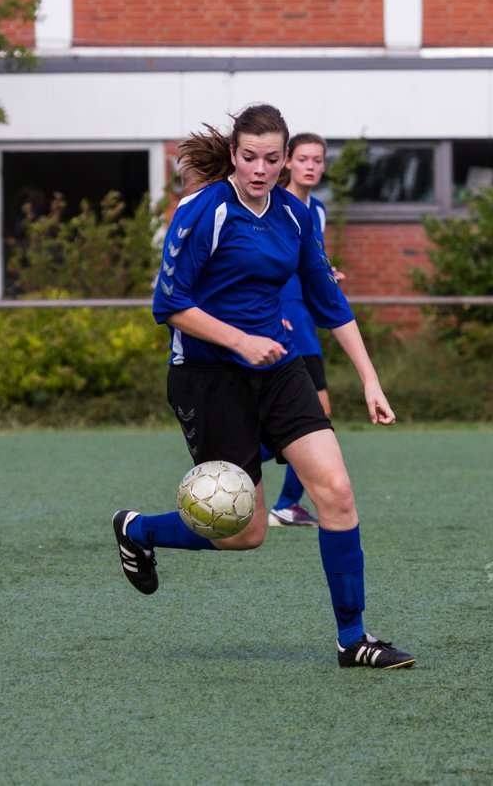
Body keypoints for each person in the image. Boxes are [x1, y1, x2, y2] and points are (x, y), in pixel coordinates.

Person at [113, 104, 414, 669]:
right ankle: (139, 529)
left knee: (337, 493)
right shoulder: (201, 211)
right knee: (245, 532)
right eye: (249, 157)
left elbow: (330, 301)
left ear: (285, 160)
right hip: (208, 376)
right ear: (233, 154)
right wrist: (238, 340)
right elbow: (169, 304)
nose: (260, 168)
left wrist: (371, 379)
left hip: (278, 367)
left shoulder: (295, 217)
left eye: (272, 159)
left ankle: (354, 640)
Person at [263, 132, 334, 528]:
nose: (311, 166)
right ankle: (287, 503)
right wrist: (274, 309)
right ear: (288, 161)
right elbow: (266, 263)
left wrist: (327, 272)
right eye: (304, 158)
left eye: (318, 160)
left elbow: (309, 262)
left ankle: (228, 463)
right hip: (282, 316)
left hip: (305, 317)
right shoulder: (275, 205)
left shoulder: (317, 210)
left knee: (306, 413)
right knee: (317, 411)